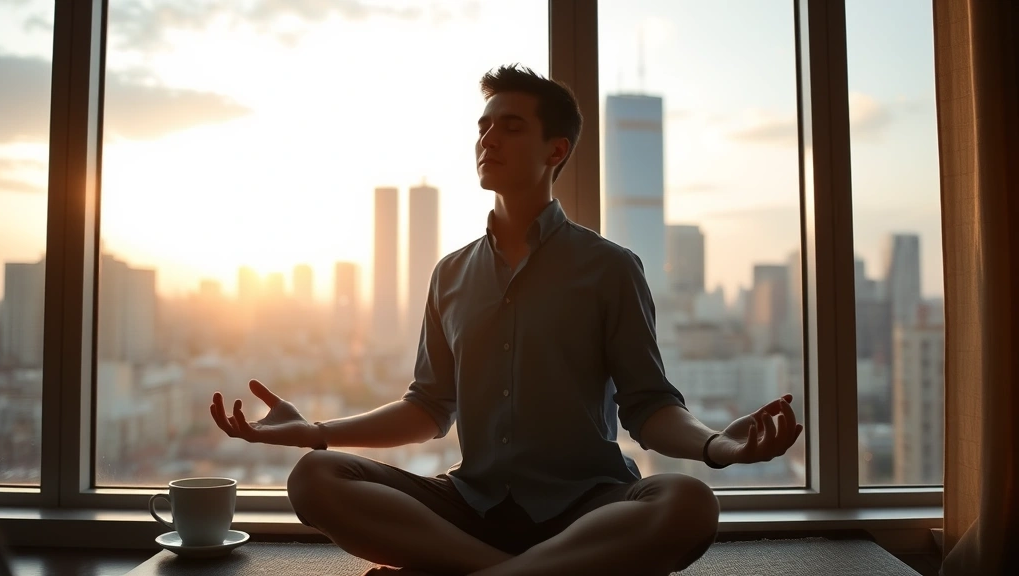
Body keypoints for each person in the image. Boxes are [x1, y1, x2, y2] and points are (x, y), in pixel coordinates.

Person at [210, 64, 803, 576]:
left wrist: (717, 445)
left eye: (510, 125)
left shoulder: (611, 268)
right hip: (472, 507)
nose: (488, 137)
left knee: (689, 503)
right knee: (314, 478)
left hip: (587, 510)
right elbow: (427, 409)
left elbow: (649, 408)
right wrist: (315, 431)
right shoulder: (450, 274)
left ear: (556, 150)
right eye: (483, 125)